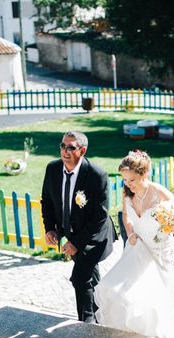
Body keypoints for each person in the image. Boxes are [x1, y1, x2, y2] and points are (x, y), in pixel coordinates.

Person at [96, 150, 174, 338]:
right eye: (125, 180)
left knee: (157, 294)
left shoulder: (159, 193)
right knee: (119, 287)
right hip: (137, 245)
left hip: (160, 250)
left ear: (144, 174)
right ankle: (135, 327)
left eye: (132, 180)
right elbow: (126, 217)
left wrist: (167, 227)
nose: (128, 184)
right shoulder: (127, 196)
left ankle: (156, 332)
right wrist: (130, 233)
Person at [41, 131, 116, 324]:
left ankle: (87, 322)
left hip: (94, 236)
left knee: (80, 278)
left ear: (82, 150)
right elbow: (47, 201)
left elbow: (100, 216)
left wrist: (76, 243)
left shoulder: (96, 175)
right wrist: (50, 228)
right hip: (70, 232)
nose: (64, 151)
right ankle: (104, 315)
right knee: (91, 277)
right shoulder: (52, 169)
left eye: (70, 147)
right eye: (62, 146)